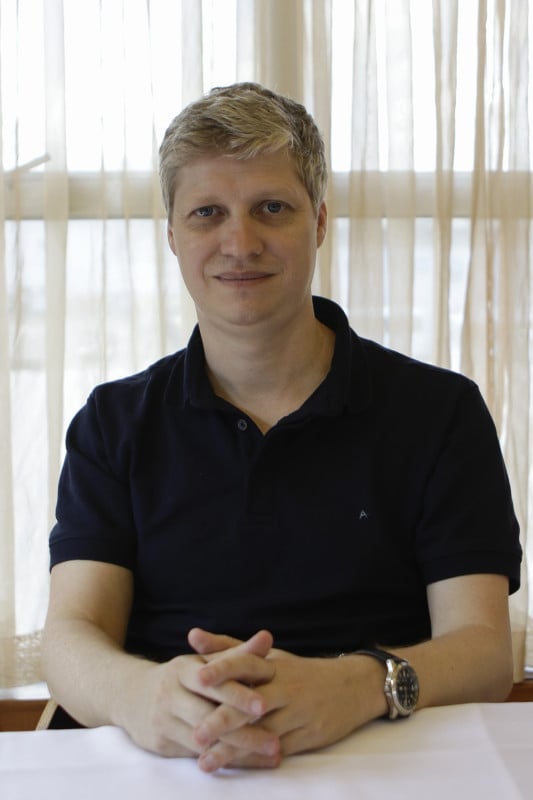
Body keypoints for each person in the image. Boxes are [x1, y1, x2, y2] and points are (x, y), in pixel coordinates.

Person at [42, 82, 522, 773]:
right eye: (207, 213)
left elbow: (483, 650)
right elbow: (72, 635)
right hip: (168, 763)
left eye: (272, 208)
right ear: (172, 235)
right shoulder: (112, 423)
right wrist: (140, 695)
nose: (240, 243)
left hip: (384, 757)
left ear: (318, 222)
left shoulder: (441, 412)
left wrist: (356, 684)